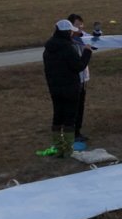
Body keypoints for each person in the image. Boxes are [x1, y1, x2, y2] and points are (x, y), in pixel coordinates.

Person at [39, 19, 92, 158]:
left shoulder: (48, 48)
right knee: (69, 118)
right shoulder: (68, 48)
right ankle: (68, 149)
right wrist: (87, 52)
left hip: (54, 88)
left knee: (57, 116)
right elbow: (79, 66)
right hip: (70, 88)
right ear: (68, 32)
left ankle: (58, 146)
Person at [67, 13, 91, 150]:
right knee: (73, 107)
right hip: (73, 79)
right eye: (77, 25)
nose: (80, 28)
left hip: (83, 78)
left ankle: (77, 132)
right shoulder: (67, 40)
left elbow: (94, 44)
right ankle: (71, 133)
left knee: (80, 106)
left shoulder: (83, 36)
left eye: (81, 25)